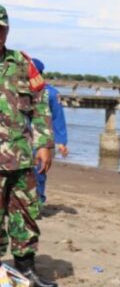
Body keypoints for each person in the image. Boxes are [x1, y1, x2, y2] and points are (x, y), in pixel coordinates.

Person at [0, 5, 58, 287]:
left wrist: (45, 143)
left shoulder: (22, 63)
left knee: (25, 213)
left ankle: (26, 269)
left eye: (1, 29)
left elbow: (41, 104)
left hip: (21, 157)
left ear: (7, 30)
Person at [30, 58, 69, 205]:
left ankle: (38, 201)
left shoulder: (51, 93)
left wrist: (62, 142)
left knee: (39, 172)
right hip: (19, 137)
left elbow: (58, 117)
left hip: (42, 139)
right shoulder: (17, 90)